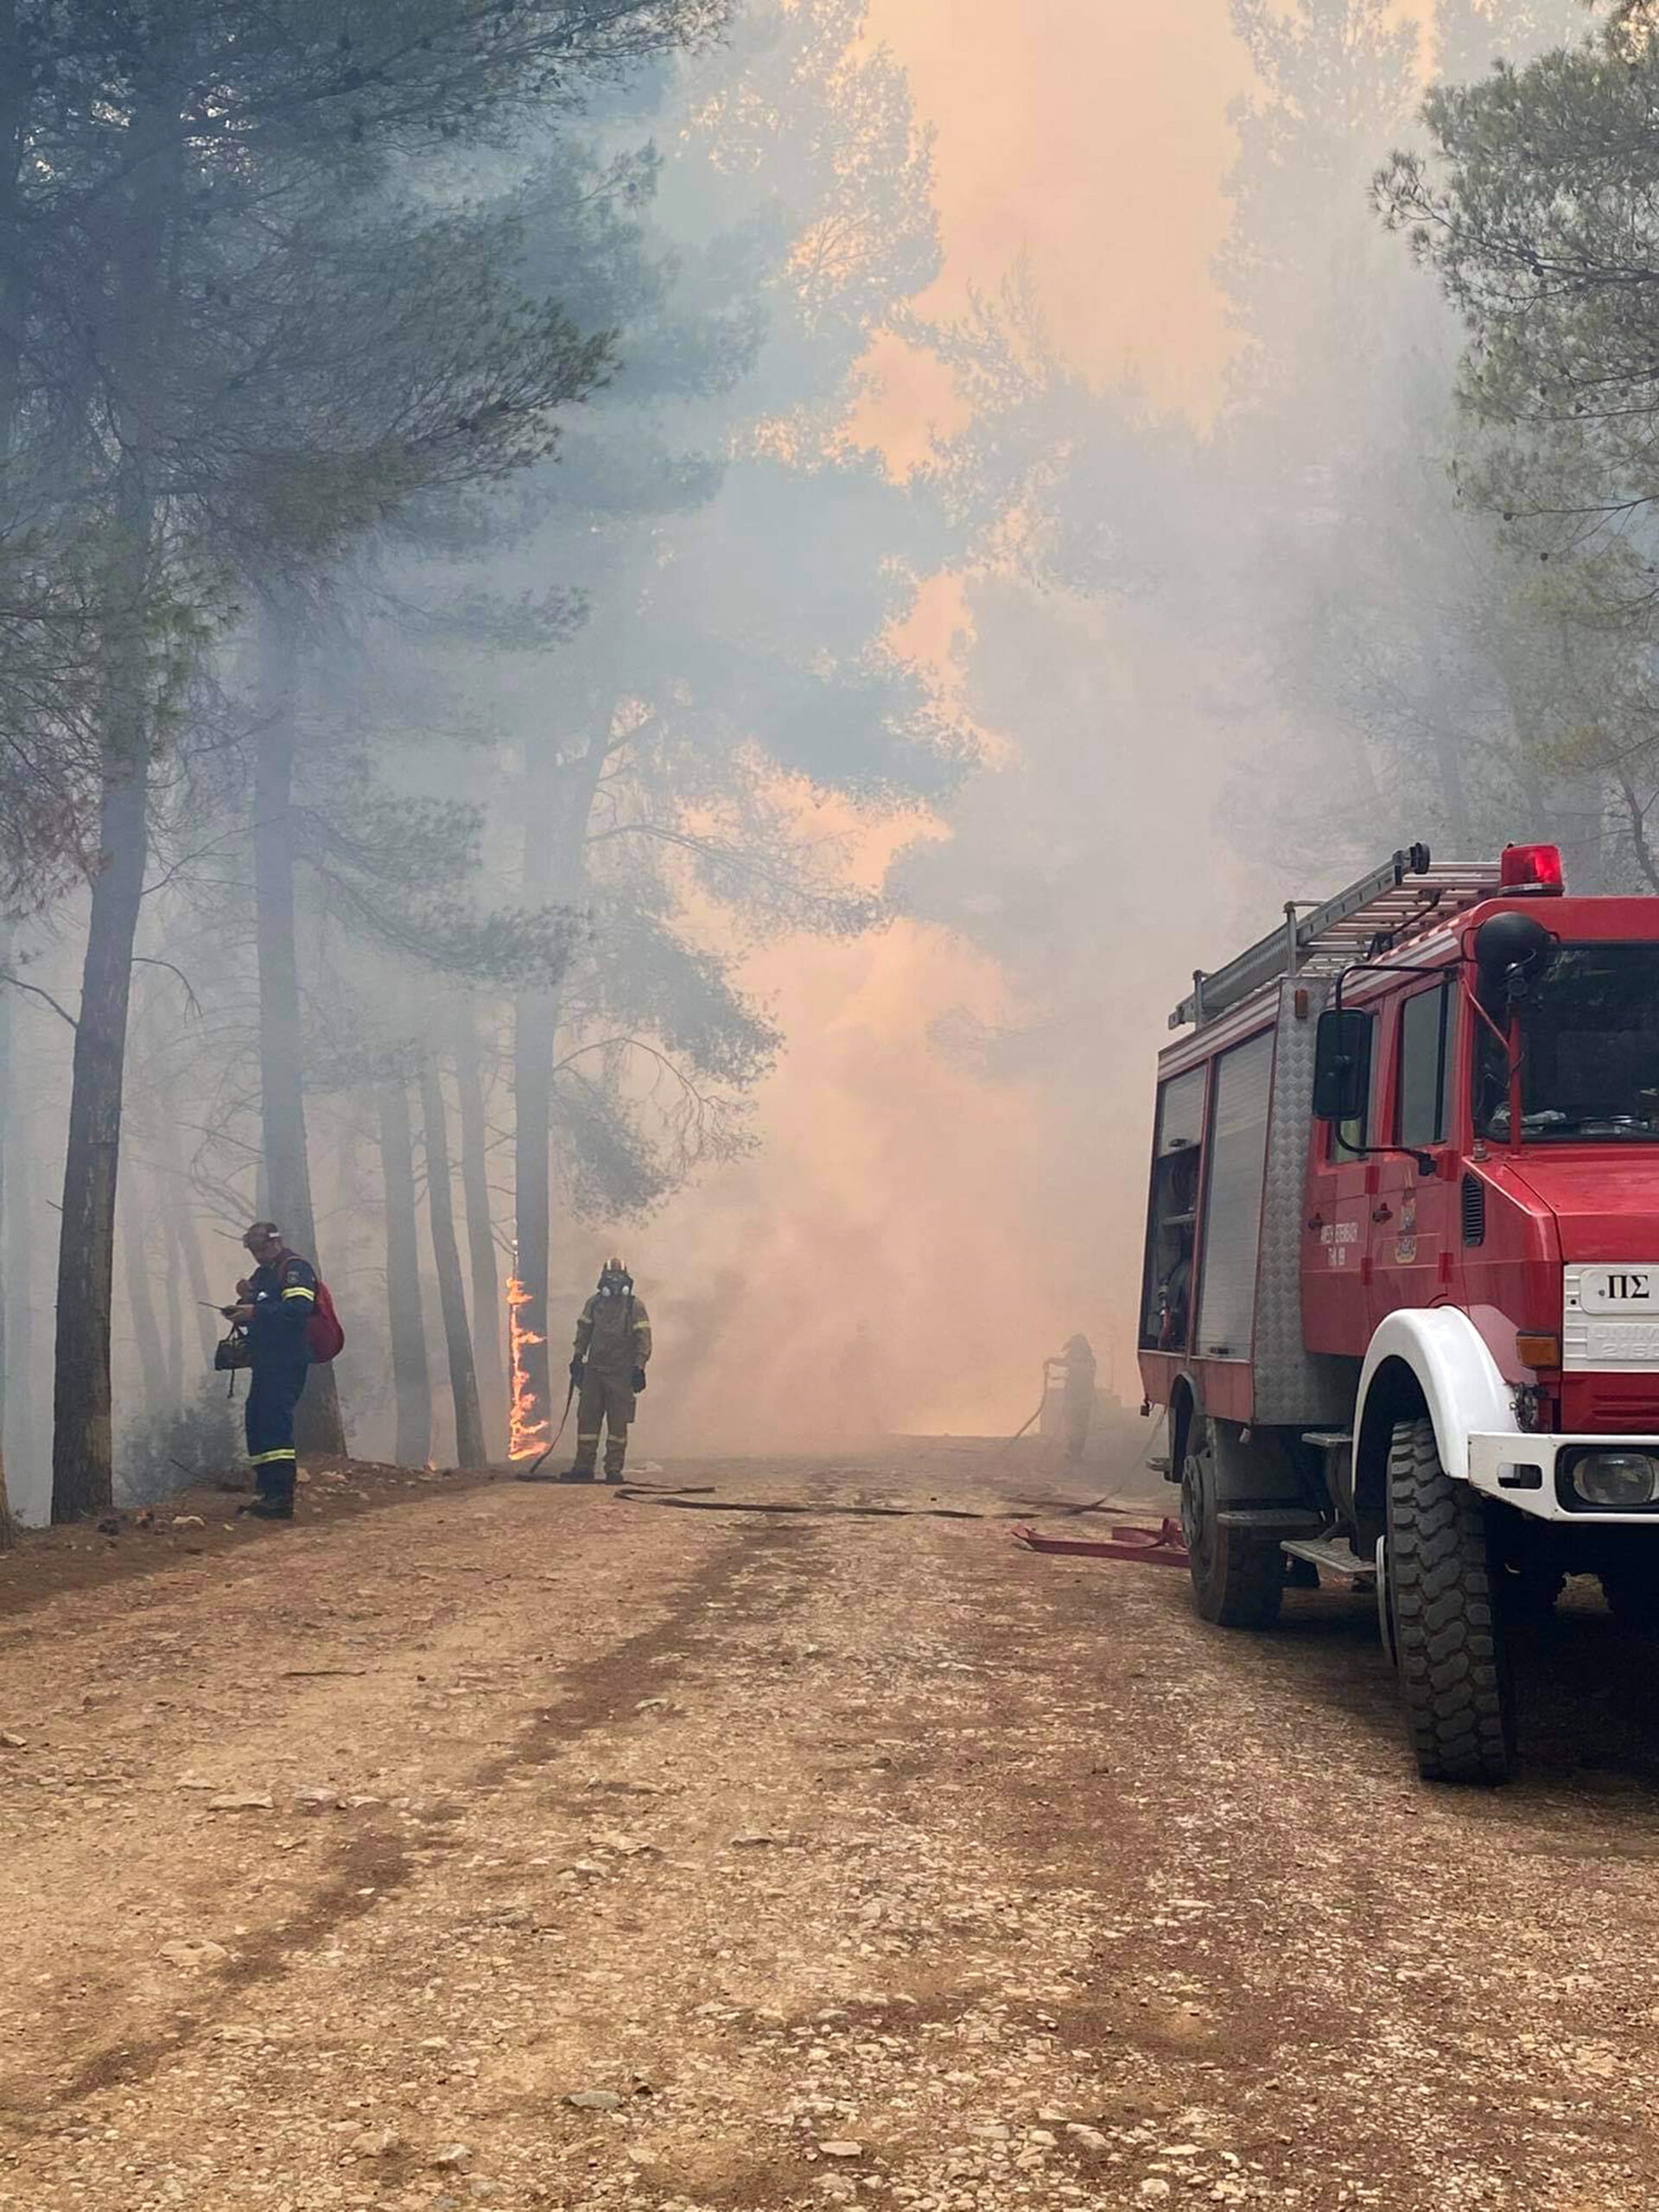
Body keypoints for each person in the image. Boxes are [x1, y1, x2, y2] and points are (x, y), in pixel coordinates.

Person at [226, 1220, 316, 1520]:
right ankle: (265, 1491)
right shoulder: (263, 1274)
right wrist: (243, 1301)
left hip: (287, 1360)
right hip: (265, 1361)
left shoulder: (295, 1269)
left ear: (276, 1242)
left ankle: (281, 1496)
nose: (257, 1256)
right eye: (252, 1251)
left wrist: (256, 1311)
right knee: (257, 1420)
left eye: (260, 1249)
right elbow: (257, 1308)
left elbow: (298, 1310)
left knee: (276, 1424)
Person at [559, 1257, 652, 1484]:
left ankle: (613, 1469)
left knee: (617, 1426)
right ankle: (583, 1467)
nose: (615, 1282)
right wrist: (577, 1357)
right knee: (587, 1423)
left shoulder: (634, 1306)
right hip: (594, 1373)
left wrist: (639, 1367)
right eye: (611, 1278)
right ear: (602, 1280)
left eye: (619, 1277)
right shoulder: (593, 1304)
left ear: (627, 1279)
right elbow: (584, 1331)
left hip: (621, 1374)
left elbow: (643, 1339)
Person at [1046, 1333, 1096, 1465]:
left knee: (1080, 1426)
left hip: (1083, 1398)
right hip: (1072, 1396)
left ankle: (1077, 1453)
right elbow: (1066, 1363)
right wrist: (1052, 1361)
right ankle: (1071, 1450)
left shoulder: (1089, 1361)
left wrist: (1063, 1363)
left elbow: (1082, 1368)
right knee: (1071, 1424)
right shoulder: (1074, 1358)